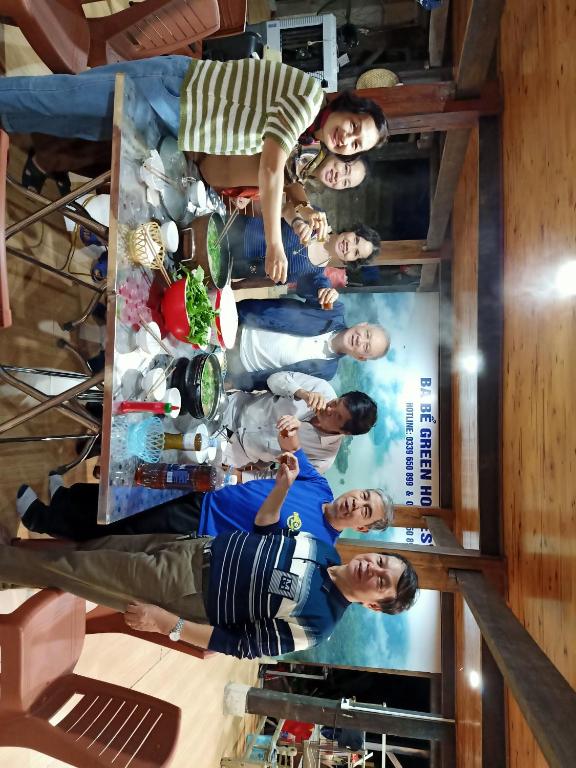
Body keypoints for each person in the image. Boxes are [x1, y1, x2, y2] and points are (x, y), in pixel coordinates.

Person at [0, 57, 388, 282]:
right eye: (354, 126)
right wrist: (275, 244)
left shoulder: (309, 134)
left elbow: (276, 176)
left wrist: (296, 211)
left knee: (85, 124)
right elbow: (270, 171)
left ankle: (16, 126)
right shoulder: (308, 99)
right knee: (61, 99)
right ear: (347, 108)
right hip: (174, 91)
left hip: (179, 117)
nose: (347, 139)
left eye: (356, 145)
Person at [2, 454, 418, 659]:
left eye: (381, 582)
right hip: (191, 545)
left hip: (187, 590)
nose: (373, 569)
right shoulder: (322, 549)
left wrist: (168, 624)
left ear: (373, 605)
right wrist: (282, 485)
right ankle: (11, 569)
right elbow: (265, 528)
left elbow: (238, 645)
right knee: (94, 550)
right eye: (382, 562)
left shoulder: (319, 624)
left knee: (77, 569)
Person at [16, 443, 393, 544]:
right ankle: (65, 499)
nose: (356, 503)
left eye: (365, 511)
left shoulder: (320, 544)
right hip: (209, 489)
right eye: (364, 496)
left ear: (361, 528)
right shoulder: (321, 485)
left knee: (125, 525)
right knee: (129, 494)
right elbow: (292, 449)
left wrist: (281, 486)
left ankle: (43, 521)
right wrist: (290, 433)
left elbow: (267, 529)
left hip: (203, 526)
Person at [225, 294, 391, 390]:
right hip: (238, 321)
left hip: (238, 366)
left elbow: (282, 381)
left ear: (361, 357)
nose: (361, 340)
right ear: (363, 324)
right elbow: (307, 281)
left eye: (366, 347)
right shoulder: (333, 309)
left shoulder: (327, 372)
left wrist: (237, 383)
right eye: (367, 334)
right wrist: (323, 285)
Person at [222, 372, 377, 473]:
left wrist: (239, 475)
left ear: (345, 432)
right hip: (233, 405)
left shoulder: (323, 459)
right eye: (336, 402)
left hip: (233, 453)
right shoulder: (322, 388)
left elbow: (280, 480)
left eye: (337, 416)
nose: (329, 409)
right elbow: (273, 379)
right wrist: (301, 393)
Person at [230, 211, 380, 289]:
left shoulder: (314, 273)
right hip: (241, 230)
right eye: (356, 240)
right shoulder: (317, 218)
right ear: (352, 231)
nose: (349, 246)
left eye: (356, 252)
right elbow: (285, 207)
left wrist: (238, 285)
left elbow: (272, 281)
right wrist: (297, 222)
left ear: (351, 261)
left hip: (240, 269)